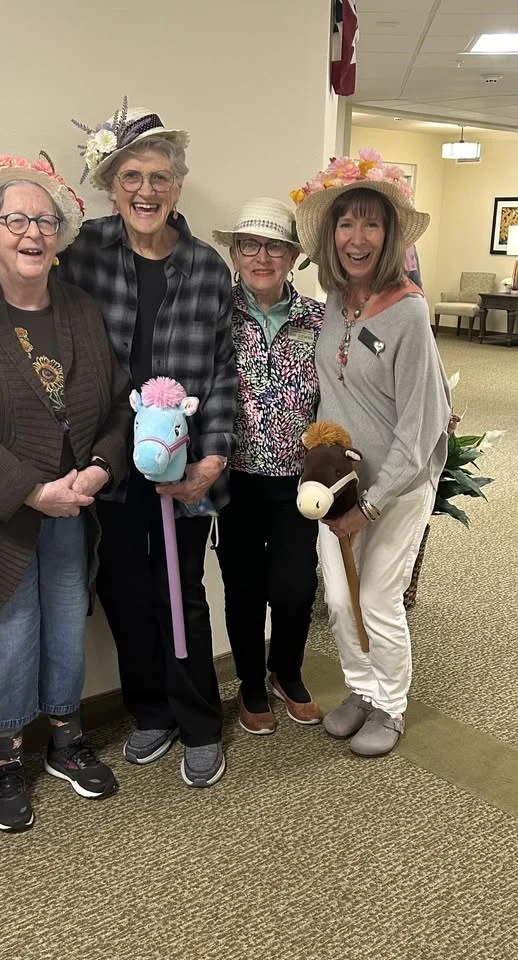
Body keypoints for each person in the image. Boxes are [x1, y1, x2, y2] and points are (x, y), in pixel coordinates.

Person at [0, 153, 131, 833]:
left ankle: (67, 739)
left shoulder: (79, 307)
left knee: (66, 621)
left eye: (44, 220)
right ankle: (6, 758)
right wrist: (27, 490)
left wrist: (100, 469)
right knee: (6, 631)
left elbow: (118, 408)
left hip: (74, 504)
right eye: (15, 219)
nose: (32, 233)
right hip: (0, 512)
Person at [61, 100, 237, 787]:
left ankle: (198, 721)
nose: (145, 190)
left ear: (178, 187)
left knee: (181, 591)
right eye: (131, 175)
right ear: (111, 184)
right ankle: (151, 713)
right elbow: (17, 290)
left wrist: (212, 460)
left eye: (159, 177)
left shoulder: (204, 266)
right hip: (108, 461)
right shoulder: (83, 251)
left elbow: (222, 374)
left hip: (184, 467)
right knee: (123, 589)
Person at [292, 151, 450, 756]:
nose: (356, 238)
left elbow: (423, 426)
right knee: (336, 595)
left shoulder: (409, 313)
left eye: (371, 224)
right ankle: (361, 687)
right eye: (345, 223)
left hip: (397, 489)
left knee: (379, 597)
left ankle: (391, 704)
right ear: (331, 235)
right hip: (339, 485)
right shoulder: (335, 300)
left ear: (389, 237)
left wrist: (375, 504)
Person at [211, 198, 324, 735]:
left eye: (275, 246)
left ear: (294, 255)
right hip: (234, 480)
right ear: (234, 253)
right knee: (243, 586)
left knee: (296, 586)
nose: (262, 256)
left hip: (300, 483)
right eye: (250, 245)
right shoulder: (215, 315)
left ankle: (287, 670)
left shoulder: (320, 320)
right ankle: (251, 684)